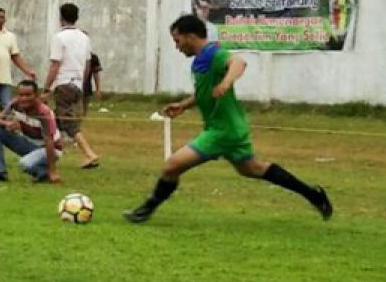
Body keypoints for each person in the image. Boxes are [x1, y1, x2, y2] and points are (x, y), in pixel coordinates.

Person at [124, 15, 333, 223]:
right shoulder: (201, 59)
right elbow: (204, 92)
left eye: (177, 41)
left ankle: (145, 211)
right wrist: (183, 105)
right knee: (253, 169)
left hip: (222, 132)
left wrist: (226, 82)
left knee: (171, 167)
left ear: (190, 36)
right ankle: (314, 195)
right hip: (230, 127)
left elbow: (239, 62)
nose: (177, 47)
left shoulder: (213, 53)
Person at [44, 3, 100, 168]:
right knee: (55, 118)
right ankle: (52, 148)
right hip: (77, 83)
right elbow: (88, 63)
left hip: (64, 82)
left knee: (68, 123)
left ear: (61, 17)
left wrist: (46, 87)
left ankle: (89, 153)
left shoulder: (59, 37)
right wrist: (82, 82)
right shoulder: (84, 37)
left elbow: (55, 64)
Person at [0, 80, 62, 183]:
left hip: (50, 149)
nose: (24, 98)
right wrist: (7, 124)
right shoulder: (15, 104)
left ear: (36, 95)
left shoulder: (43, 112)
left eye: (28, 95)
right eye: (21, 95)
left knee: (24, 164)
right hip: (29, 144)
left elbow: (49, 141)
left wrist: (53, 170)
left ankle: (46, 173)